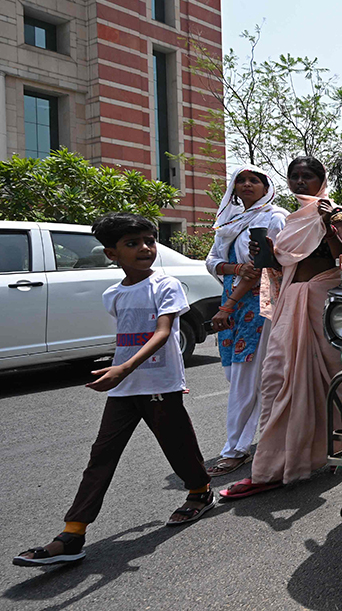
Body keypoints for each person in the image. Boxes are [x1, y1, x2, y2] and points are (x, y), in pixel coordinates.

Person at [13, 214, 213, 567]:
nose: (145, 249)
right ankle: (72, 533)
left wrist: (124, 368)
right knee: (101, 456)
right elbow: (126, 336)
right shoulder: (113, 294)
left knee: (177, 444)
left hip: (158, 384)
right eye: (132, 244)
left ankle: (199, 491)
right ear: (111, 254)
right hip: (124, 387)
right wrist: (118, 367)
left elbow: (163, 333)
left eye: (149, 241)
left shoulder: (166, 286)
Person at [219, 156, 342, 499]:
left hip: (324, 298)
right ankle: (272, 466)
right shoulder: (292, 220)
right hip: (290, 301)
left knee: (332, 378)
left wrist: (329, 224)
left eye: (308, 176)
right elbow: (277, 264)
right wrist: (263, 253)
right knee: (279, 378)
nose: (300, 181)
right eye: (294, 176)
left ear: (321, 179)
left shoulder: (334, 211)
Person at [203, 165, 288, 477]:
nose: (247, 184)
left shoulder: (274, 218)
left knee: (244, 375)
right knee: (235, 372)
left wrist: (228, 304)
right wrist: (234, 269)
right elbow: (211, 261)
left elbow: (263, 268)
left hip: (258, 303)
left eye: (255, 180)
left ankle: (236, 449)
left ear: (267, 187)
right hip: (232, 300)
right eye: (241, 180)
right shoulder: (228, 220)